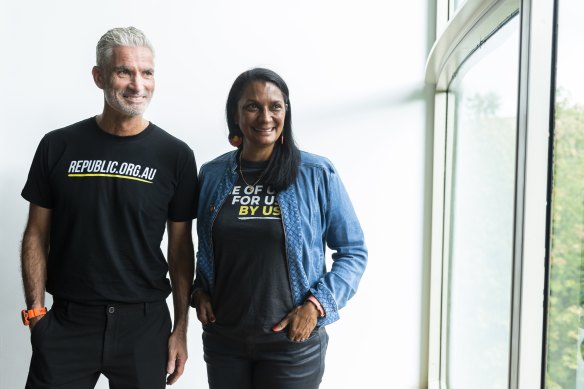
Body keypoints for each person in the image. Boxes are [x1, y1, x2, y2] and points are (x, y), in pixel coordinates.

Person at [20, 26, 198, 389]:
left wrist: (180, 329)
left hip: (145, 325)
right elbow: (36, 233)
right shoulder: (58, 146)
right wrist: (37, 313)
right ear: (99, 77)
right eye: (124, 71)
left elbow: (180, 249)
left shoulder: (176, 156)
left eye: (146, 72)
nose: (138, 84)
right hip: (69, 321)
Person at [191, 67, 367, 389]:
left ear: (287, 111)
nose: (265, 117)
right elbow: (206, 247)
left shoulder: (315, 173)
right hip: (224, 341)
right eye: (252, 106)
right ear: (235, 114)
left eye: (276, 106)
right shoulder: (212, 175)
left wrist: (316, 307)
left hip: (291, 345)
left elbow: (353, 251)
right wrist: (199, 290)